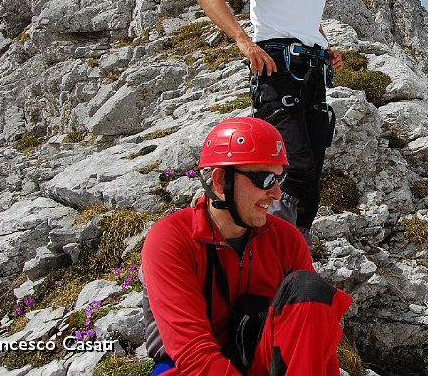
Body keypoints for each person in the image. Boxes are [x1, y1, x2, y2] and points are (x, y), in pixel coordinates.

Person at [140, 116, 352, 375]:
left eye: (278, 179)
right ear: (220, 181)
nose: (276, 194)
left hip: (260, 360)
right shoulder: (172, 238)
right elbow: (193, 353)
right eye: (263, 179)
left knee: (309, 291)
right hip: (186, 368)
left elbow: (312, 335)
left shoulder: (286, 239)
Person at [194, 0, 343, 241]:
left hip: (312, 72)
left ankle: (292, 251)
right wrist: (244, 41)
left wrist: (326, 45)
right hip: (279, 70)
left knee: (311, 173)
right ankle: (262, 245)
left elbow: (304, 18)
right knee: (294, 167)